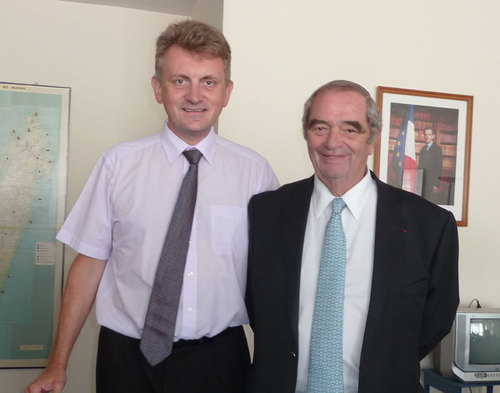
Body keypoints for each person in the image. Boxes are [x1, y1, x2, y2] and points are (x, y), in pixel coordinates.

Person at [26, 20, 278, 393]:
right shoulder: (118, 164)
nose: (195, 95)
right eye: (180, 81)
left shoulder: (255, 173)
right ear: (158, 89)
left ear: (227, 92)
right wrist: (56, 365)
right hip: (127, 359)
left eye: (209, 82)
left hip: (220, 360)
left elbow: (273, 276)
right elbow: (88, 265)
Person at [246, 80, 459, 393]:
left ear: (371, 138)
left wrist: (384, 362)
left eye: (350, 129)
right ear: (306, 133)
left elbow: (436, 317)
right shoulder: (266, 212)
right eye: (320, 128)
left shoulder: (429, 225)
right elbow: (257, 306)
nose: (333, 143)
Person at [418, 127, 443, 204]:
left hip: (432, 183)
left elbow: (439, 168)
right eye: (425, 135)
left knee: (430, 204)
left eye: (429, 134)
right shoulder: (422, 150)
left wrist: (436, 184)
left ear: (433, 136)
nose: (427, 137)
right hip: (422, 183)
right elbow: (420, 167)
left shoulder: (438, 150)